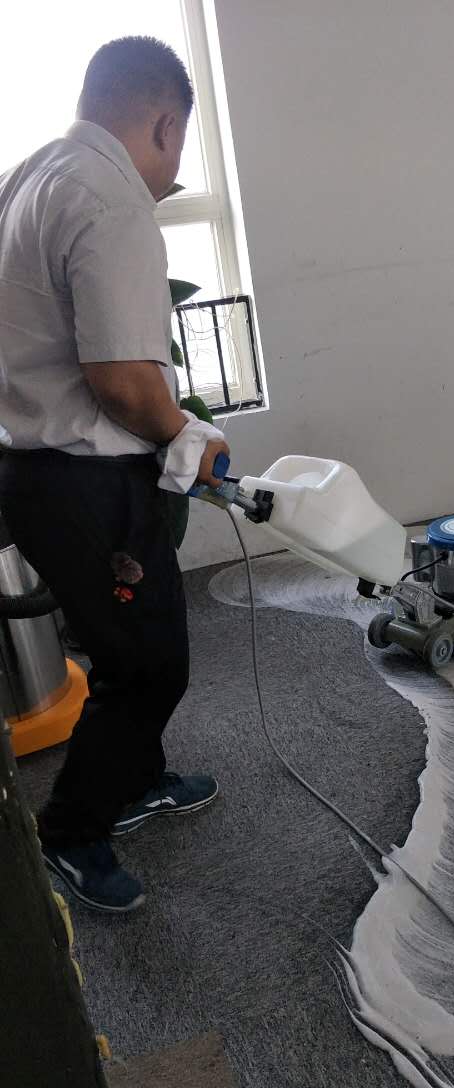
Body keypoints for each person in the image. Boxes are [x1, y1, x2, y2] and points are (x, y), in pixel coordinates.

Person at [0, 37, 230, 913]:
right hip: (85, 482)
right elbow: (125, 382)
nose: (172, 174)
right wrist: (192, 437)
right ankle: (70, 832)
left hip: (42, 470)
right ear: (165, 123)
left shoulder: (28, 175)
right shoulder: (111, 197)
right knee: (147, 666)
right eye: (179, 147)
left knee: (136, 641)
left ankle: (134, 779)